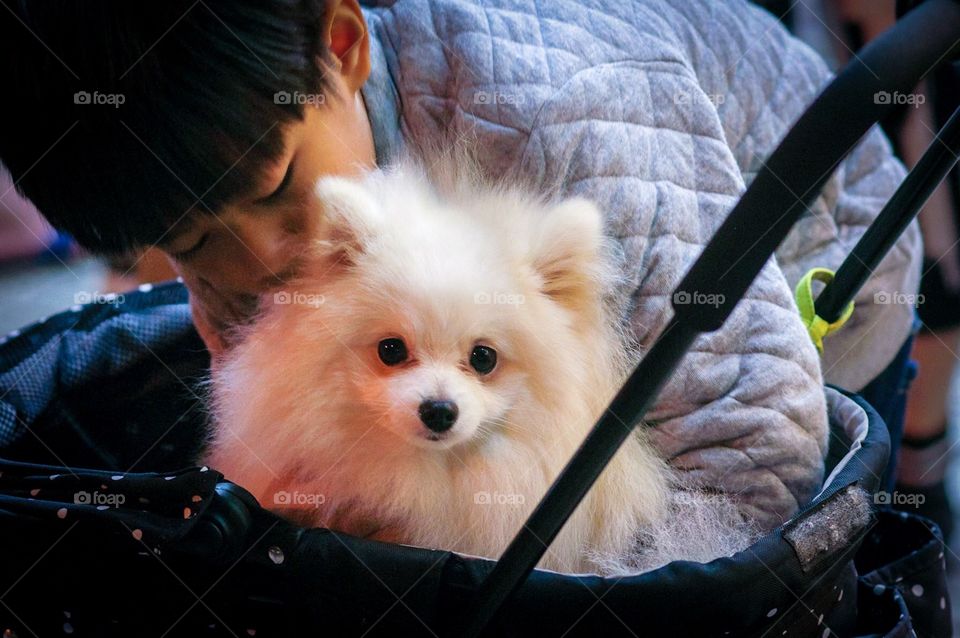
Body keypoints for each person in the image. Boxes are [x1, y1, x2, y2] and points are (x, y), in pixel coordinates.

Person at [0, 0, 922, 532]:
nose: (261, 259)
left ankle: (924, 465)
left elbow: (759, 454)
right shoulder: (233, 190)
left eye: (281, 185)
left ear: (342, 45)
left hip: (817, 269)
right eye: (191, 242)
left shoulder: (565, 122)